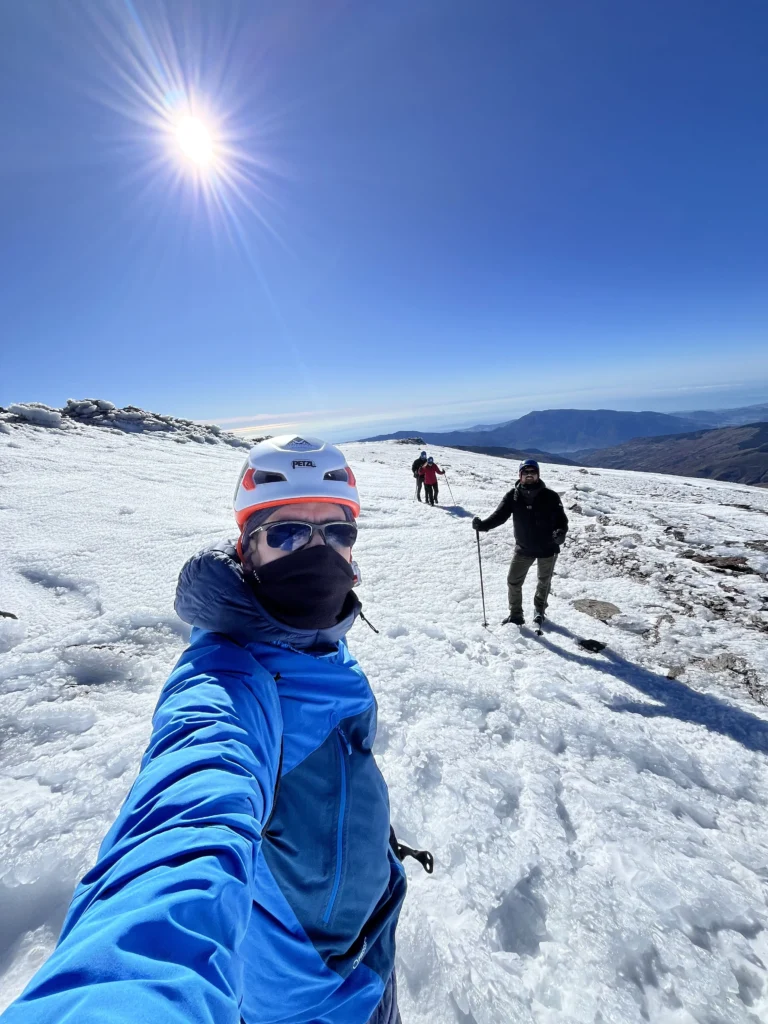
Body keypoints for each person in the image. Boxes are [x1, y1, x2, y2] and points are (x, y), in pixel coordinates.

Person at [4, 435, 407, 1024]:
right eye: (288, 533)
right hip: (308, 1002)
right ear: (246, 550)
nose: (319, 552)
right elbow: (184, 824)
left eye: (337, 532)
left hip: (370, 951)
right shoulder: (230, 679)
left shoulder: (319, 642)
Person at [472, 458, 568, 627]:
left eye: (532, 472)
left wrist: (561, 533)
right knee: (513, 581)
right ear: (520, 475)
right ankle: (516, 615)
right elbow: (500, 515)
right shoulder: (513, 496)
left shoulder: (551, 496)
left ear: (538, 474)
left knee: (544, 582)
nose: (529, 475)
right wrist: (483, 525)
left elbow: (562, 520)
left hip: (548, 548)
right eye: (526, 472)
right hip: (524, 548)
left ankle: (539, 610)